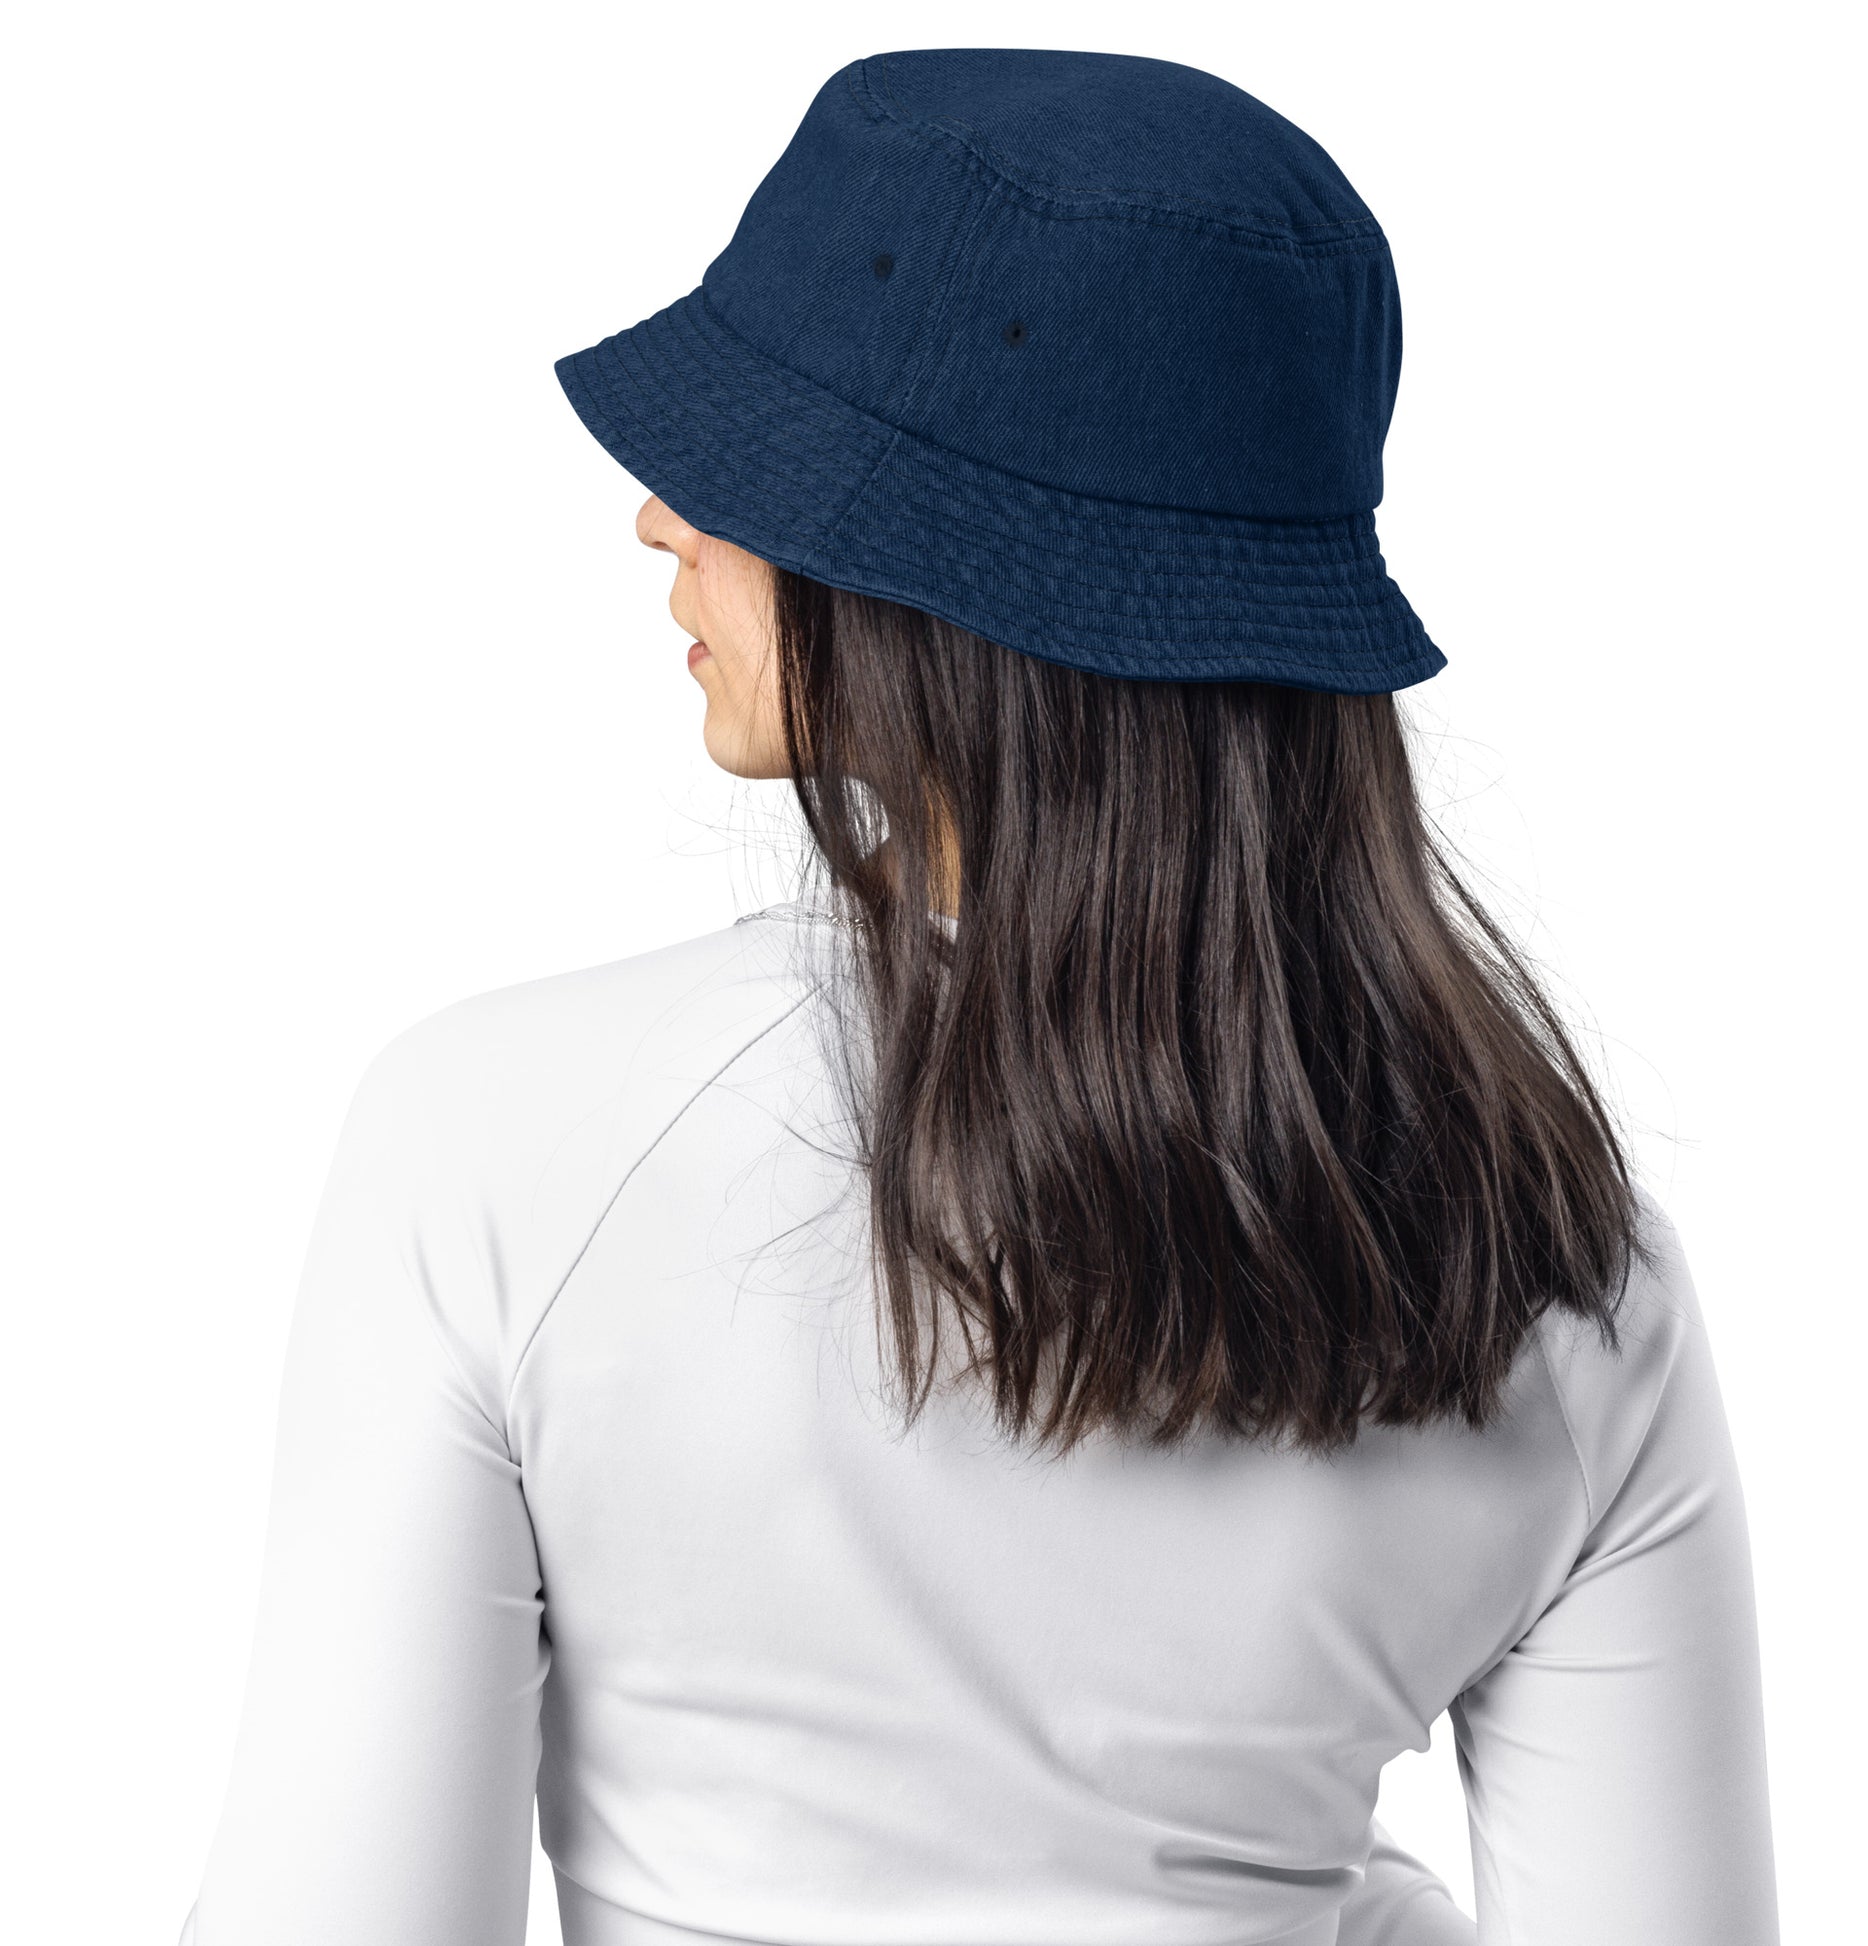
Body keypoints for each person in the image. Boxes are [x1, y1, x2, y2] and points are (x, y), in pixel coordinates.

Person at [175, 47, 1779, 1946]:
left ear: (941, 585)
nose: (660, 517)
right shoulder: (1554, 1267)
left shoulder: (492, 1140)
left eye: (749, 464)